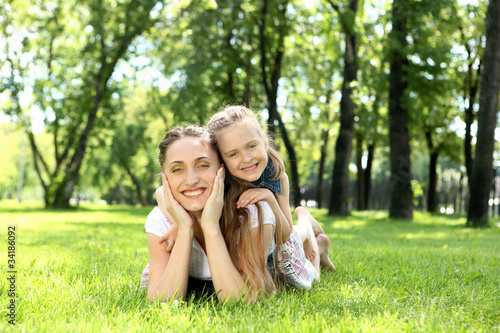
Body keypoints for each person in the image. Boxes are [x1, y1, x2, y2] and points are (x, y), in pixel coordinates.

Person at [141, 125, 278, 302]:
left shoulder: (252, 213)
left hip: (288, 251)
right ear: (165, 177)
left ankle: (309, 229)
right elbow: (160, 302)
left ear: (221, 170)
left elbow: (241, 300)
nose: (191, 180)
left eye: (203, 165)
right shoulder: (160, 221)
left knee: (302, 243)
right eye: (177, 169)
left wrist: (211, 227)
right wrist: (184, 227)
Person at [206, 105, 335, 271]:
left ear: (264, 142)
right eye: (233, 154)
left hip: (279, 239)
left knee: (293, 243)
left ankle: (306, 223)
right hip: (258, 243)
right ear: (221, 159)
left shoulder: (276, 176)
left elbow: (284, 235)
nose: (247, 158)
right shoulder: (218, 180)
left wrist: (269, 198)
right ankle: (314, 235)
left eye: (252, 146)